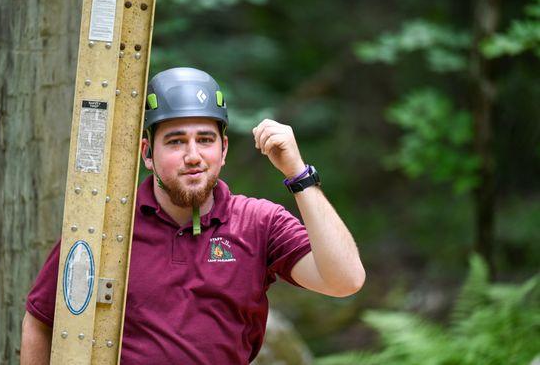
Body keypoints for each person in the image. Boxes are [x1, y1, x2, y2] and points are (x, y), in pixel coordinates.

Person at [20, 67, 365, 364]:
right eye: (175, 142)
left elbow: (345, 279)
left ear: (223, 149)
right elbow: (41, 318)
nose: (193, 156)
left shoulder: (259, 222)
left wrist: (298, 173)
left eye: (205, 139)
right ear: (147, 153)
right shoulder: (107, 226)